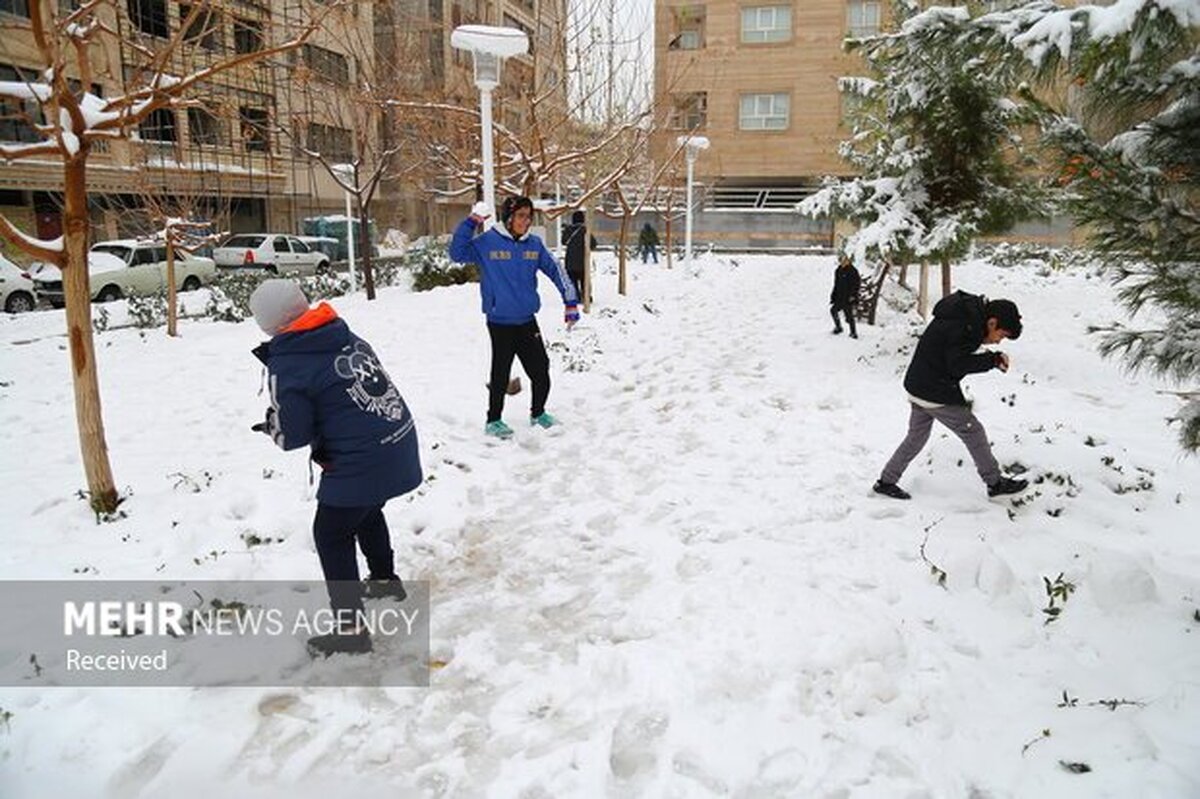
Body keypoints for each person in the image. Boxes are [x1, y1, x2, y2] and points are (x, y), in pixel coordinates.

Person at [248, 279, 422, 656]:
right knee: (364, 507)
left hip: (364, 457)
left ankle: (351, 629)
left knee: (330, 532)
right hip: (397, 439)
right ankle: (383, 580)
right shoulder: (337, 331)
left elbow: (293, 434)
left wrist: (272, 426)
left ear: (268, 323)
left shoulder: (289, 359)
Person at [873, 291, 1029, 500]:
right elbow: (957, 364)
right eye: (1001, 335)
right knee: (973, 433)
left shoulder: (964, 317)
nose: (999, 341)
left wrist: (990, 357)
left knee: (916, 437)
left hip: (918, 384)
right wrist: (992, 361)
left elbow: (954, 354)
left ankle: (886, 482)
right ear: (992, 323)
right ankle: (995, 483)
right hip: (933, 390)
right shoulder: (967, 326)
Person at [449, 195, 579, 439]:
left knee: (541, 369)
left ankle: (538, 413)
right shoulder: (488, 242)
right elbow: (457, 253)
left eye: (529, 217)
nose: (525, 221)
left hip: (527, 319)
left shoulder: (534, 245)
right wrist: (471, 222)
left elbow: (556, 270)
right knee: (501, 371)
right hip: (500, 321)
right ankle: (494, 420)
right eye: (520, 216)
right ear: (509, 217)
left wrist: (570, 301)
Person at [563, 209, 597, 304]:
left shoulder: (568, 230)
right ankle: (585, 296)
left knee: (572, 281)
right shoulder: (586, 230)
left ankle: (576, 297)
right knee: (584, 281)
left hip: (570, 262)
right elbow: (593, 244)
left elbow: (563, 241)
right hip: (583, 262)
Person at [830, 255, 861, 338]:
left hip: (848, 297)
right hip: (839, 297)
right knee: (833, 310)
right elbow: (836, 284)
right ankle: (838, 327)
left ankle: (853, 332)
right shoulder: (838, 270)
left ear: (848, 261)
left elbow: (857, 285)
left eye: (845, 261)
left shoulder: (853, 271)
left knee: (849, 316)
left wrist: (853, 296)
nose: (843, 262)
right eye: (841, 261)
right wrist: (833, 295)